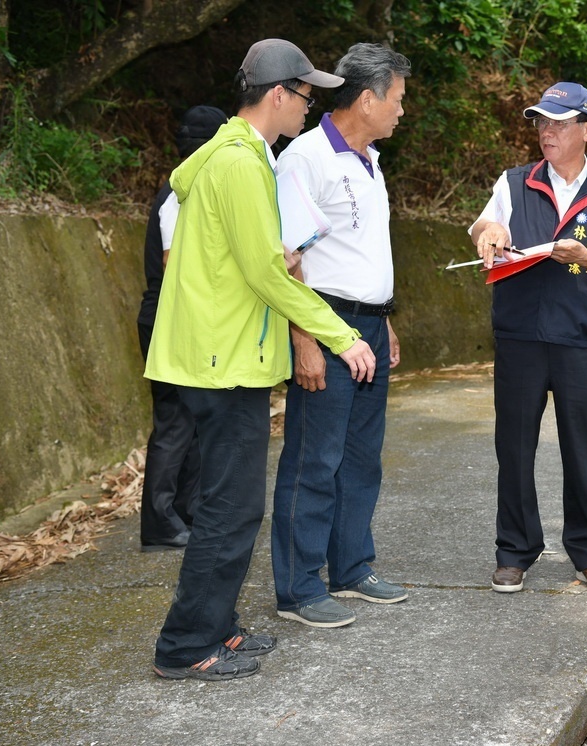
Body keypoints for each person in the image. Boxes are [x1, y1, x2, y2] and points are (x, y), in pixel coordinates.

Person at [145, 39, 377, 681]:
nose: (309, 109)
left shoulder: (230, 157)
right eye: (306, 96)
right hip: (223, 361)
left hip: (217, 355)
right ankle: (186, 644)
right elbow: (266, 274)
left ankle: (218, 629)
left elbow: (253, 258)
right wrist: (340, 336)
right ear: (278, 95)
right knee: (230, 507)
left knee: (231, 503)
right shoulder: (242, 164)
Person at [469, 82, 587, 595]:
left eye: (560, 122)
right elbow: (483, 224)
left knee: (582, 448)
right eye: (541, 122)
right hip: (520, 336)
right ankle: (515, 550)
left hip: (579, 339)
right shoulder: (515, 181)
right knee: (514, 447)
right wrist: (488, 235)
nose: (547, 131)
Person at [270, 43, 412, 628]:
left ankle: (351, 567)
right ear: (369, 97)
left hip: (370, 325)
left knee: (361, 457)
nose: (403, 110)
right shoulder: (306, 157)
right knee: (314, 458)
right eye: (399, 99)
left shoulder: (371, 160)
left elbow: (361, 252)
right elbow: (287, 261)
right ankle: (299, 587)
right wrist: (304, 340)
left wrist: (386, 319)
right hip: (326, 325)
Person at [136, 105, 227, 552]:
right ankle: (158, 523)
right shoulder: (179, 194)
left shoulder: (186, 188)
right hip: (166, 319)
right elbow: (175, 264)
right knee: (174, 422)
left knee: (191, 421)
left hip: (178, 317)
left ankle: (183, 512)